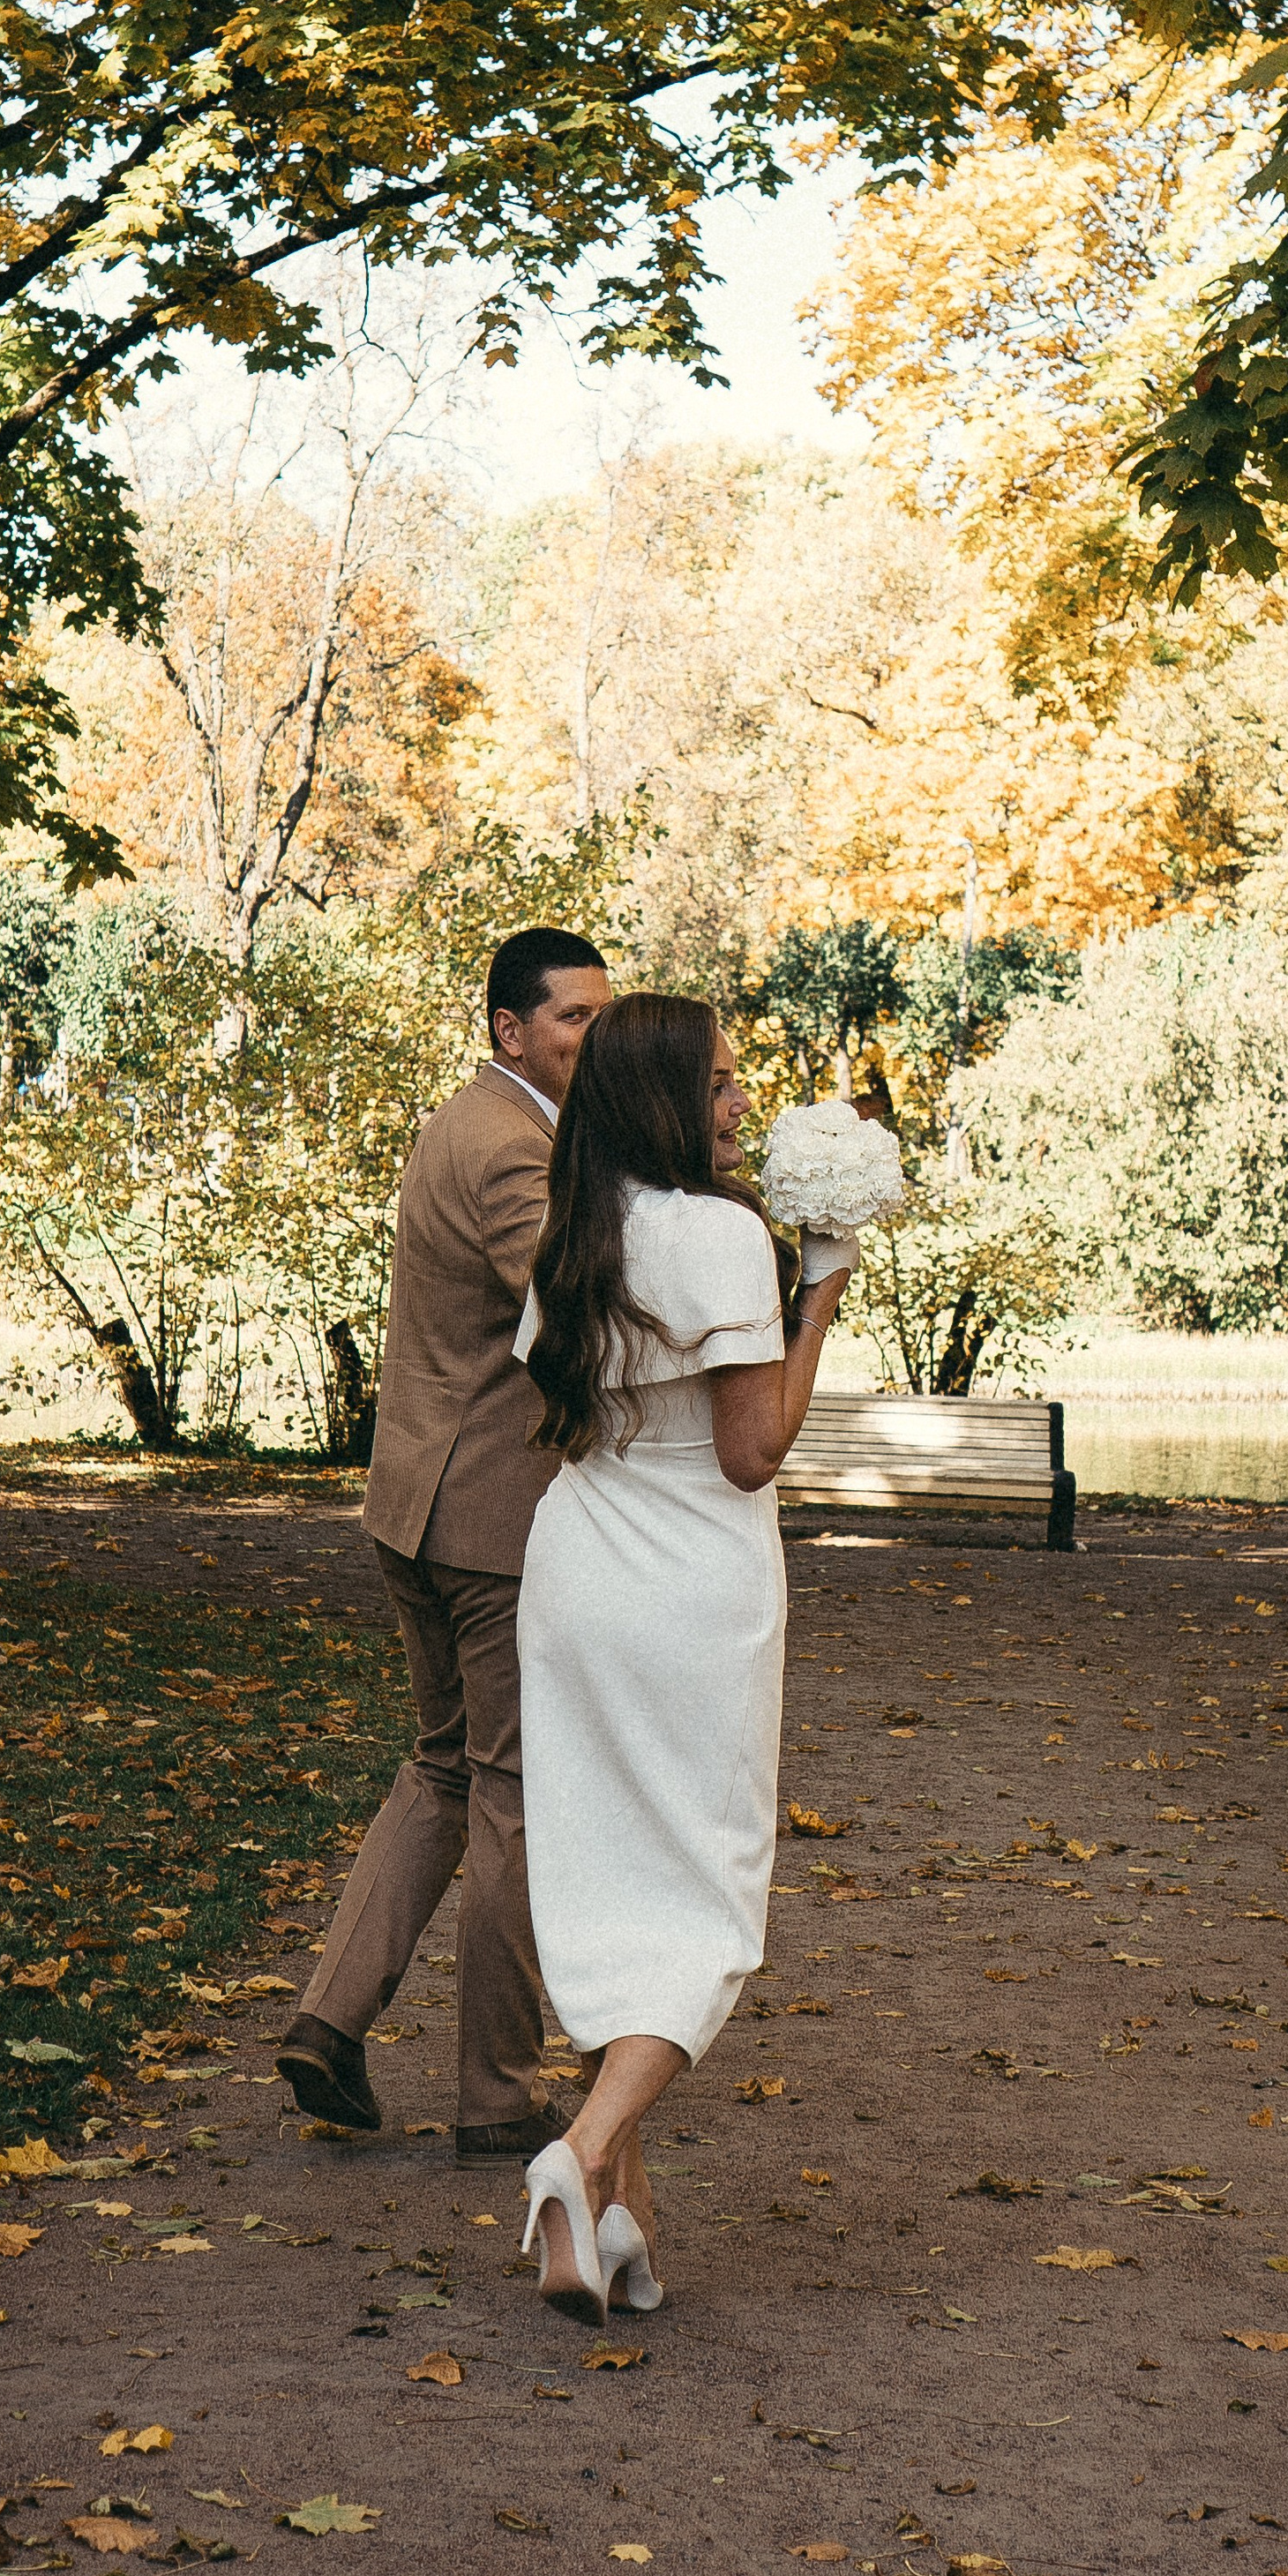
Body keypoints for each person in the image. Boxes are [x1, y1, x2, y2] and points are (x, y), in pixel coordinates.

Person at [508, 992, 854, 2321]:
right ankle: (579, 2155)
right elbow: (752, 1448)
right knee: (708, 1890)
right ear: (661, 1099)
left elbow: (563, 1409)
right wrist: (817, 1293)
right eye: (715, 1085)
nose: (735, 1106)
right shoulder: (717, 1238)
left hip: (583, 1562)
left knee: (603, 1877)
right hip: (693, 1582)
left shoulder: (578, 1231)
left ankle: (621, 2218)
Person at [276, 926, 611, 2158]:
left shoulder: (462, 1121)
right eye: (571, 1017)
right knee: (516, 1794)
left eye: (600, 1015)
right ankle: (498, 2096)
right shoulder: (514, 1145)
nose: (592, 1035)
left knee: (441, 1768)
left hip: (413, 1500)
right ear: (507, 1030)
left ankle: (329, 2019)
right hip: (489, 1522)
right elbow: (573, 1305)